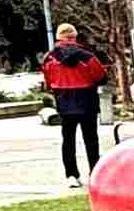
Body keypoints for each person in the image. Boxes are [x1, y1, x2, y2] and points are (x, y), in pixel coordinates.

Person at [39, 22, 110, 186]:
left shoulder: (49, 58)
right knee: (91, 139)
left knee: (68, 139)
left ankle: (71, 175)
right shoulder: (87, 56)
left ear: (58, 37)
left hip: (64, 101)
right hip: (87, 100)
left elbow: (48, 82)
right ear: (74, 37)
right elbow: (101, 77)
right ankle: (95, 173)